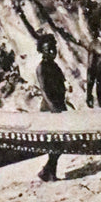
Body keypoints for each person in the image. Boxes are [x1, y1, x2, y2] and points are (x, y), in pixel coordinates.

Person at [35, 34, 66, 181]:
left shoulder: (54, 65)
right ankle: (49, 172)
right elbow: (44, 90)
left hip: (59, 105)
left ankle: (47, 170)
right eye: (48, 49)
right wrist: (53, 108)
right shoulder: (41, 68)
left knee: (61, 142)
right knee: (56, 142)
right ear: (42, 51)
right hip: (50, 108)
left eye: (53, 48)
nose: (52, 51)